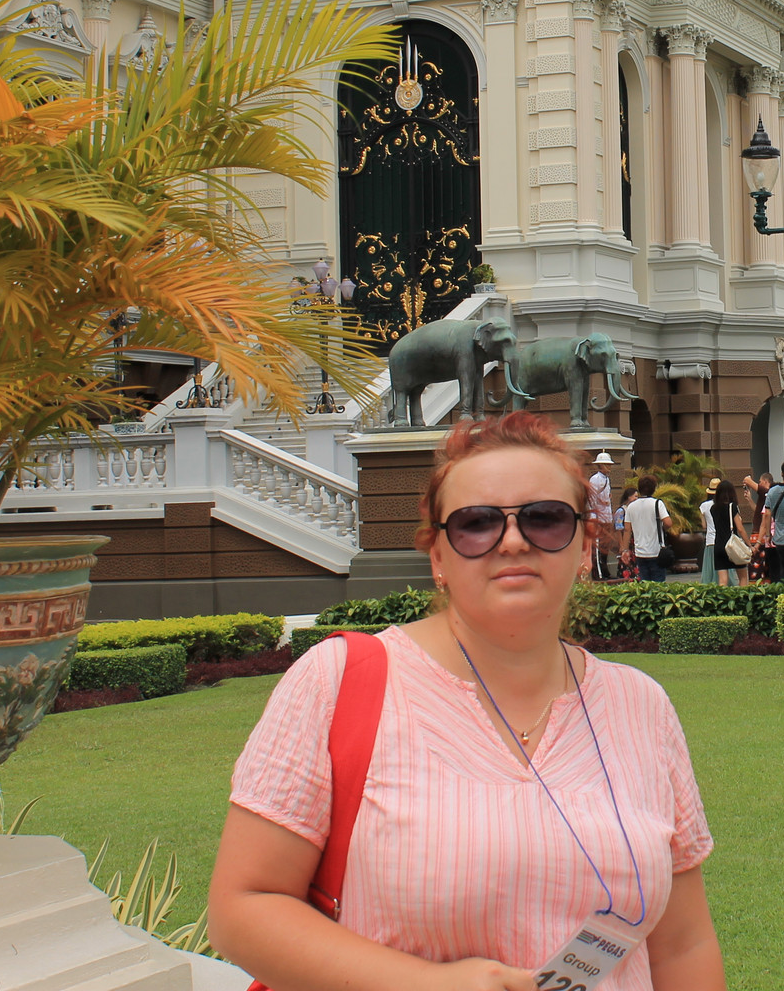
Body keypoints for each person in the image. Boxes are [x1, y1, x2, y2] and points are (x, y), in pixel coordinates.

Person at [209, 412, 724, 991]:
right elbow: (244, 907)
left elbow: (682, 945)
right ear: (438, 557)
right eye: (476, 524)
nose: (512, 541)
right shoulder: (340, 682)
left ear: (584, 547)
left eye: (545, 519)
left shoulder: (641, 705)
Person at [622, 474, 675, 582]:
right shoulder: (657, 504)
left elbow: (627, 530)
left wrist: (625, 550)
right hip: (656, 551)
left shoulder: (631, 506)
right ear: (654, 488)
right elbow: (668, 523)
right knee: (658, 584)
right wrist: (661, 528)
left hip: (640, 552)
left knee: (644, 583)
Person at [709, 479, 749, 586]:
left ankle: (722, 596)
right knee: (743, 577)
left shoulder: (713, 509)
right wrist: (749, 544)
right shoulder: (732, 507)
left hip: (719, 546)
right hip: (733, 546)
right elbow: (740, 528)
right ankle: (742, 596)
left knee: (722, 580)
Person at [588, 452, 617, 580]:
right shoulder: (595, 479)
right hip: (598, 518)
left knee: (606, 546)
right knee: (598, 547)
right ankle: (598, 573)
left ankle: (605, 571)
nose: (609, 467)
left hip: (606, 517)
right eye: (606, 465)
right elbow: (592, 500)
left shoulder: (606, 479)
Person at [697, 478, 720, 585]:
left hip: (710, 540)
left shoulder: (704, 506)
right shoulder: (727, 504)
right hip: (723, 541)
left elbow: (704, 525)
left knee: (709, 573)